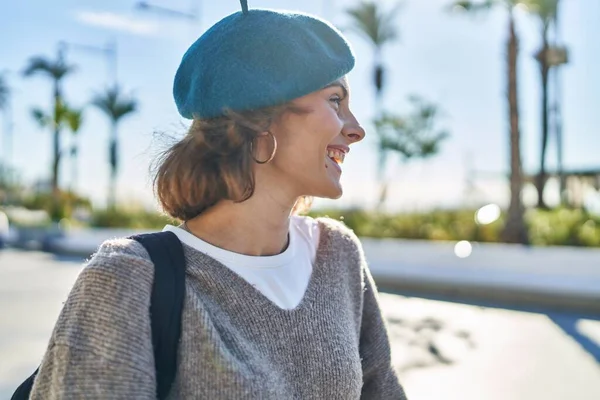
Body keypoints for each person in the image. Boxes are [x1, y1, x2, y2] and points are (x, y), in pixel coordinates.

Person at [30, 1, 407, 399]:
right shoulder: (126, 280)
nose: (357, 129)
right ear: (261, 116)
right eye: (335, 100)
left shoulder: (339, 255)